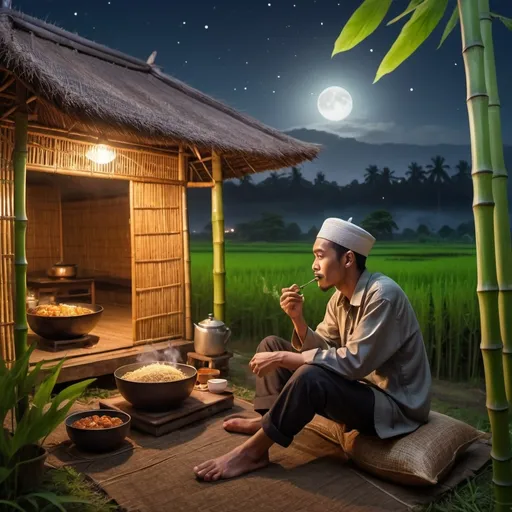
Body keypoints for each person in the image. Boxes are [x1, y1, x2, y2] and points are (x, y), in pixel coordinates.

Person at [193, 217, 432, 482]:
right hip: (360, 388)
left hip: (391, 404)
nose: (314, 265)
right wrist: (298, 319)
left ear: (348, 259)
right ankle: (267, 421)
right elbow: (326, 347)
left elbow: (354, 363)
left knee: (309, 376)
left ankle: (254, 453)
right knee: (271, 344)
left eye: (320, 255)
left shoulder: (382, 296)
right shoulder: (339, 298)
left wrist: (286, 357)